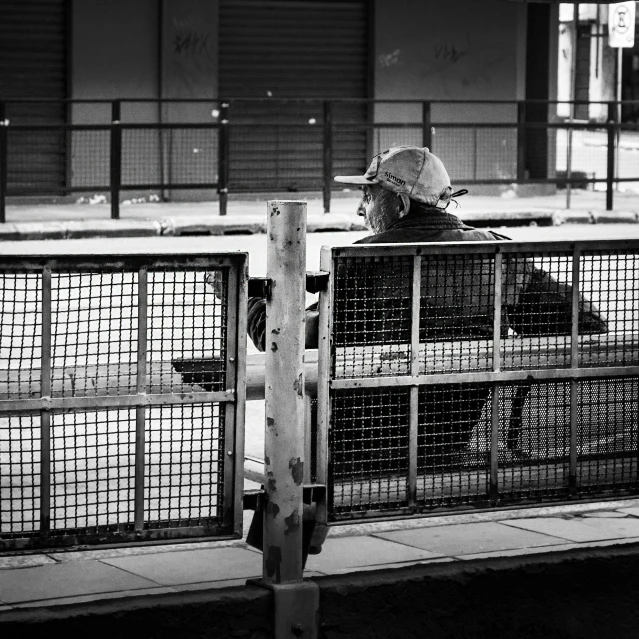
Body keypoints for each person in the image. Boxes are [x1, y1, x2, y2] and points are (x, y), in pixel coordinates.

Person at [245, 146, 608, 473]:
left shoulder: (362, 262)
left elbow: (289, 344)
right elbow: (588, 323)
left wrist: (246, 298)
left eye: (369, 196)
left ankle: (287, 529)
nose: (360, 209)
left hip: (360, 456)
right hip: (455, 450)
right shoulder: (502, 258)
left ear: (400, 205)